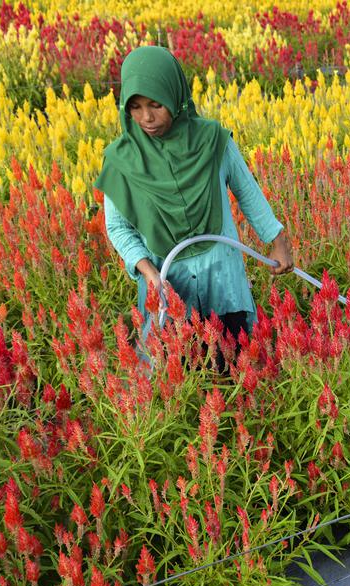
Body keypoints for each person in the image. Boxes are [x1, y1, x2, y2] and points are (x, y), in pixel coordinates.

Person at [95, 45, 293, 360]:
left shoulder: (213, 141)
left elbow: (248, 191)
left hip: (221, 277)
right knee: (178, 376)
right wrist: (148, 271)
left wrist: (278, 241)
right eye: (136, 106)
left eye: (156, 104)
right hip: (168, 285)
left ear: (175, 94)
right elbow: (117, 227)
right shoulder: (122, 161)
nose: (147, 117)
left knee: (235, 363)